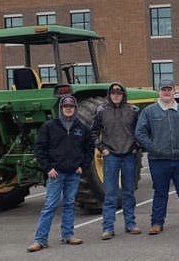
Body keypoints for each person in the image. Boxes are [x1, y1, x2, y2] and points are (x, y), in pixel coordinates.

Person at [135, 79, 179, 234]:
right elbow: (140, 133)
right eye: (163, 89)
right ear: (159, 92)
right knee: (160, 191)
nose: (166, 92)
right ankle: (157, 223)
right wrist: (154, 148)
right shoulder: (149, 112)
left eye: (169, 89)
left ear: (174, 91)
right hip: (158, 160)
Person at [28, 95, 93, 252]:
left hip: (73, 174)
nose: (68, 109)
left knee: (70, 204)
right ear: (61, 109)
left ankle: (68, 235)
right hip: (56, 174)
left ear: (75, 109)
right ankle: (40, 240)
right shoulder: (50, 126)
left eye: (71, 107)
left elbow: (89, 149)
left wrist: (82, 166)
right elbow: (40, 149)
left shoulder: (82, 128)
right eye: (65, 107)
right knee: (50, 206)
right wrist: (48, 168)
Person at [92, 82, 142, 240]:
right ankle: (107, 227)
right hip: (111, 156)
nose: (115, 95)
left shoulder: (133, 110)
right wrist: (101, 148)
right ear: (109, 94)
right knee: (110, 194)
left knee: (128, 192)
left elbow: (141, 131)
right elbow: (93, 132)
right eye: (113, 93)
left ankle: (130, 224)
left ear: (123, 94)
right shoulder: (101, 111)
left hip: (129, 155)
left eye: (118, 93)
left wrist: (137, 147)